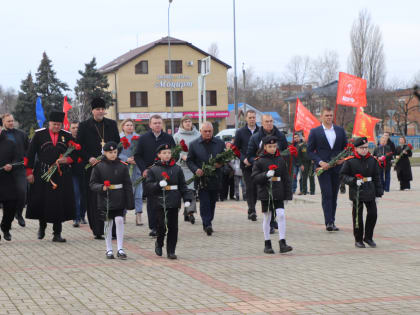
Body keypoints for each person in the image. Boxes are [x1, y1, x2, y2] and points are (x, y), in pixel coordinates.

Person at [25, 112, 77, 242]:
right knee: (43, 201)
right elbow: (29, 155)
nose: (57, 127)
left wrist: (68, 159)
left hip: (61, 174)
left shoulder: (67, 136)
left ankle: (57, 234)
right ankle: (42, 226)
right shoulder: (39, 135)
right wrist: (29, 172)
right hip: (43, 173)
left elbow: (77, 154)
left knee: (58, 203)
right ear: (49, 123)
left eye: (59, 125)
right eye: (54, 124)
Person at [77, 97, 120, 239]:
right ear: (92, 111)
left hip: (110, 165)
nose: (101, 111)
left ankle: (112, 229)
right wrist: (89, 158)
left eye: (102, 109)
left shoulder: (112, 124)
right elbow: (79, 147)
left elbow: (117, 143)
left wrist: (111, 154)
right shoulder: (84, 125)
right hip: (92, 167)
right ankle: (98, 229)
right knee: (94, 198)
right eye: (98, 109)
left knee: (111, 195)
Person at [144, 144, 193, 259]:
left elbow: (183, 185)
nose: (167, 155)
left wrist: (187, 198)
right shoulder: (153, 169)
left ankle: (171, 250)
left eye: (169, 153)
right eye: (164, 153)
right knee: (162, 226)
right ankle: (159, 243)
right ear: (159, 155)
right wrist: (157, 185)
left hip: (173, 200)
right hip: (160, 201)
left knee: (173, 227)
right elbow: (148, 187)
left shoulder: (177, 168)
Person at [90, 141, 134, 259]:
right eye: (110, 152)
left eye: (115, 152)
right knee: (108, 223)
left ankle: (120, 248)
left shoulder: (122, 165)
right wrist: (102, 187)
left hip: (119, 197)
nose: (113, 154)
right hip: (106, 198)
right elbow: (92, 184)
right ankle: (109, 249)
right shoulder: (98, 166)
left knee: (119, 220)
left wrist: (130, 201)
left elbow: (128, 184)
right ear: (104, 153)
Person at [307, 107, 347, 232]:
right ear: (321, 117)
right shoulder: (315, 132)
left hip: (337, 168)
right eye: (326, 115)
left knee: (334, 194)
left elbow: (345, 148)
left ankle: (332, 220)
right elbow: (309, 151)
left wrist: (343, 159)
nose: (329, 117)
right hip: (322, 168)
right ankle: (328, 222)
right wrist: (320, 161)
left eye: (330, 115)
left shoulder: (340, 131)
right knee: (327, 193)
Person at [134, 115, 175, 237]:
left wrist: (170, 165)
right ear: (150, 125)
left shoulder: (168, 138)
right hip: (149, 174)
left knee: (165, 200)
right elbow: (137, 155)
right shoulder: (143, 138)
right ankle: (153, 227)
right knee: (152, 202)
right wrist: (144, 170)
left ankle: (164, 225)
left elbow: (175, 154)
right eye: (155, 123)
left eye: (159, 123)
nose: (157, 125)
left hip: (165, 173)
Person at [251, 136, 293, 254]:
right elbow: (254, 178)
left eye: (274, 146)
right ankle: (267, 243)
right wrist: (265, 175)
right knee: (268, 217)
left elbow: (286, 178)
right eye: (270, 146)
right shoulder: (259, 161)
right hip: (266, 192)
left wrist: (287, 195)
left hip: (279, 191)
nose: (273, 149)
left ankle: (282, 242)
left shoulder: (280, 160)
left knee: (281, 215)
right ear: (264, 147)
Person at [247, 114, 288, 232]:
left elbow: (285, 150)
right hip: (262, 171)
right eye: (266, 121)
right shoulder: (255, 137)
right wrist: (258, 162)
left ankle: (273, 220)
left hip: (277, 170)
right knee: (267, 196)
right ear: (262, 123)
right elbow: (250, 155)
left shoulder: (280, 136)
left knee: (276, 195)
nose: (269, 123)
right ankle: (269, 223)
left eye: (271, 121)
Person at [340, 137, 383, 248]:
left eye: (366, 147)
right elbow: (343, 175)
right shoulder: (350, 160)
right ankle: (358, 239)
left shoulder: (372, 160)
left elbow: (377, 177)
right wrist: (353, 180)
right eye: (362, 148)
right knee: (358, 216)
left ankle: (368, 237)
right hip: (357, 190)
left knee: (373, 214)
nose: (364, 150)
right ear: (356, 149)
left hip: (370, 189)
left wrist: (379, 193)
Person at [187, 122, 225, 235]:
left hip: (215, 177)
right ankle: (207, 223)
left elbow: (225, 158)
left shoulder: (219, 143)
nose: (208, 133)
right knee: (204, 202)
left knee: (212, 202)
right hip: (201, 179)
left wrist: (221, 164)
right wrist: (196, 170)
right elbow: (189, 160)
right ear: (201, 131)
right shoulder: (194, 144)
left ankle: (208, 220)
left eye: (210, 131)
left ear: (213, 131)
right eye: (205, 131)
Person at [2, 113, 29, 227]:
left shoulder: (21, 134)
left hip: (19, 168)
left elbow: (29, 150)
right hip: (5, 171)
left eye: (12, 121)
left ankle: (19, 214)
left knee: (22, 192)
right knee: (7, 197)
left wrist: (28, 162)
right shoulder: (1, 135)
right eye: (8, 121)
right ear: (3, 122)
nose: (11, 123)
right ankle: (8, 220)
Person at [173, 115, 200, 223]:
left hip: (193, 166)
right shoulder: (177, 136)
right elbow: (174, 150)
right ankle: (184, 211)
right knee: (182, 190)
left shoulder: (198, 135)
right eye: (185, 121)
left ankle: (190, 212)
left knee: (191, 190)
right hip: (181, 166)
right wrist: (181, 156)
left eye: (189, 121)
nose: (188, 123)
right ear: (182, 124)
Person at [234, 110, 259, 220]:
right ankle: (252, 209)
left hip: (259, 165)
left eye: (254, 117)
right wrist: (243, 159)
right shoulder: (240, 132)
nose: (252, 119)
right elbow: (235, 149)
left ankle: (252, 207)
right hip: (246, 165)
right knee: (249, 187)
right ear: (246, 119)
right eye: (250, 118)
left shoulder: (261, 131)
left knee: (257, 188)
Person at [119, 119, 143, 225]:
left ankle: (138, 215)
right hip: (124, 168)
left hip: (136, 168)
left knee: (138, 193)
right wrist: (126, 159)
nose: (129, 127)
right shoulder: (119, 138)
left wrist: (136, 159)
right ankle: (123, 214)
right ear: (123, 126)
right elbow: (115, 153)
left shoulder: (139, 138)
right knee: (124, 192)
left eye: (131, 125)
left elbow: (143, 151)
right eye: (127, 125)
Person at [0, 117, 18, 241]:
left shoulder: (10, 143)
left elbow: (17, 159)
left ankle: (5, 227)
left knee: (11, 205)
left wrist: (11, 165)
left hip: (7, 179)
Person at [69, 121, 87, 227]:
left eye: (77, 127)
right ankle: (75, 217)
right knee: (75, 194)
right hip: (73, 172)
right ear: (70, 129)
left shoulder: (84, 139)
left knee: (84, 194)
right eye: (73, 127)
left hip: (84, 170)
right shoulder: (68, 140)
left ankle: (82, 215)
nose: (75, 129)